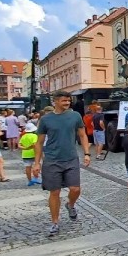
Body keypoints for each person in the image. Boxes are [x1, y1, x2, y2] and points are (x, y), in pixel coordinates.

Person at [32, 91, 90, 237]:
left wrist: (87, 153)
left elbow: (83, 135)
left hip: (71, 158)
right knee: (55, 192)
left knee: (75, 189)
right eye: (64, 101)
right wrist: (36, 163)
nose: (67, 103)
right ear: (55, 102)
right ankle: (55, 222)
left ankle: (70, 205)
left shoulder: (75, 116)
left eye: (68, 101)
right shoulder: (46, 119)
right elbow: (38, 143)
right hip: (52, 160)